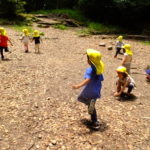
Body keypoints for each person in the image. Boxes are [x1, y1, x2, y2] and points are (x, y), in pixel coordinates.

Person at [72, 49, 104, 127]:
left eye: (88, 58)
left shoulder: (89, 70)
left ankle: (95, 122)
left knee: (82, 99)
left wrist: (78, 86)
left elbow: (88, 79)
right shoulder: (99, 70)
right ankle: (94, 119)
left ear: (90, 61)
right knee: (91, 105)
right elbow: (101, 79)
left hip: (90, 91)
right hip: (96, 90)